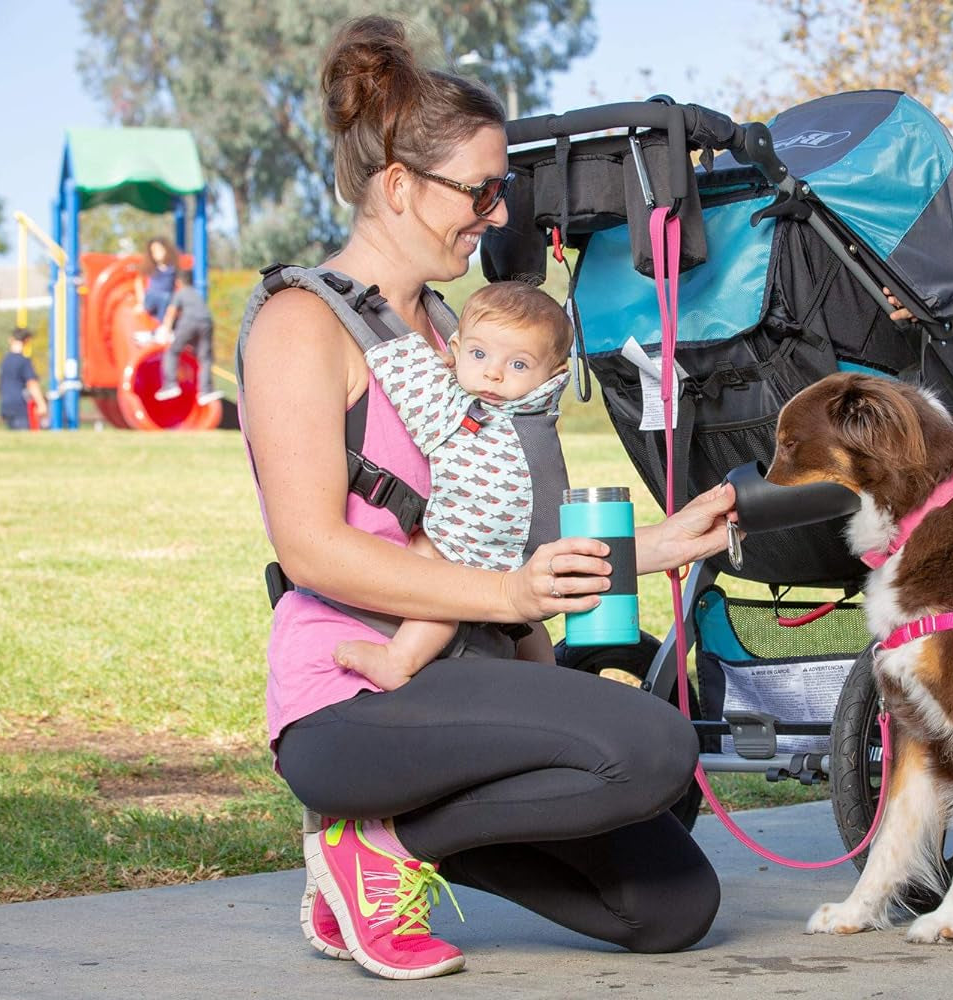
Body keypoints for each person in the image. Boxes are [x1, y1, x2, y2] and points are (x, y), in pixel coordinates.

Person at [238, 15, 734, 981]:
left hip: (467, 676)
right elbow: (311, 551)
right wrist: (510, 600)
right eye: (482, 190)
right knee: (651, 747)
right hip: (354, 692)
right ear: (397, 187)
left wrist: (658, 546)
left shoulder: (456, 332)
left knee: (674, 903)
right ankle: (376, 847)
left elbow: (499, 528)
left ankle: (387, 843)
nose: (499, 214)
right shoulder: (302, 325)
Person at [332, 280, 574, 690]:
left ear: (553, 376)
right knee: (525, 627)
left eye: (518, 365)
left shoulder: (460, 413)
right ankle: (549, 685)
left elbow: (405, 379)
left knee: (436, 574)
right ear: (457, 351)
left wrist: (364, 316)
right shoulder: (536, 412)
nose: (493, 374)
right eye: (479, 355)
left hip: (487, 533)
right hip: (538, 539)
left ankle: (399, 658)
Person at [154, 269, 222, 405]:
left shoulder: (180, 293)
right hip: (207, 322)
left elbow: (171, 312)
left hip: (189, 322)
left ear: (178, 282)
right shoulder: (196, 294)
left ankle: (170, 384)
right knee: (205, 358)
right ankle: (205, 391)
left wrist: (165, 331)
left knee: (172, 352)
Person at [0, 327, 47, 430]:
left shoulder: (5, 360)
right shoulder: (24, 361)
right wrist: (41, 404)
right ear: (27, 341)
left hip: (6, 405)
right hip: (20, 405)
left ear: (10, 339)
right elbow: (32, 383)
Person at [138, 237, 179, 321]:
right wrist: (141, 302)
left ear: (166, 250)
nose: (157, 254)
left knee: (167, 298)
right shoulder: (151, 268)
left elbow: (177, 283)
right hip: (152, 297)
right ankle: (162, 325)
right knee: (164, 297)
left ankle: (161, 325)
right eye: (154, 252)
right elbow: (138, 283)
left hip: (166, 298)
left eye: (159, 250)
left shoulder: (172, 268)